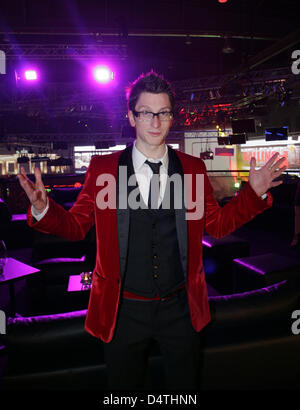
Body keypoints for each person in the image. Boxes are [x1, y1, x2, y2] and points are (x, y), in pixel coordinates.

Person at [17, 70, 286, 391]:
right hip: (122, 310)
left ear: (172, 117)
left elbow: (217, 224)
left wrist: (251, 195)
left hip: (180, 308)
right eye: (146, 113)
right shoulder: (104, 169)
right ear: (131, 116)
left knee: (184, 391)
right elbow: (76, 227)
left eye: (163, 113)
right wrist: (42, 209)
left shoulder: (192, 169)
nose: (155, 122)